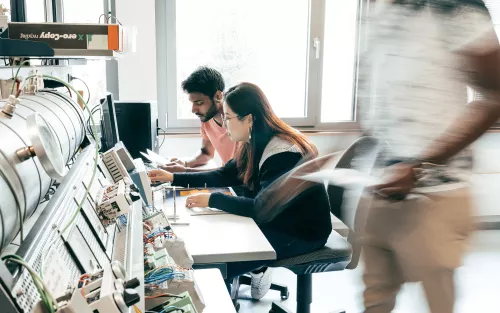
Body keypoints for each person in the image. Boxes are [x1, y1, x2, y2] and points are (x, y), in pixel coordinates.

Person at [357, 1, 500, 312]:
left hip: (436, 196)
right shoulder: (384, 11)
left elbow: (494, 97)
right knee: (374, 301)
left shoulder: (458, 8)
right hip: (381, 187)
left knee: (438, 304)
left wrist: (421, 166)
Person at [149, 82, 333, 300]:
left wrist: (212, 199)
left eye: (228, 118)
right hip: (280, 221)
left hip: (301, 232)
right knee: (218, 245)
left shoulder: (282, 152)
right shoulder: (252, 141)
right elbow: (223, 175)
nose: (224, 125)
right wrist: (173, 177)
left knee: (218, 261)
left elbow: (261, 208)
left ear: (249, 119)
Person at [165, 66, 238, 173]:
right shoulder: (207, 119)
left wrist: (185, 172)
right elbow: (207, 153)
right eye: (192, 103)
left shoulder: (239, 121)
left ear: (218, 96)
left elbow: (234, 172)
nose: (193, 110)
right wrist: (185, 163)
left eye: (199, 103)